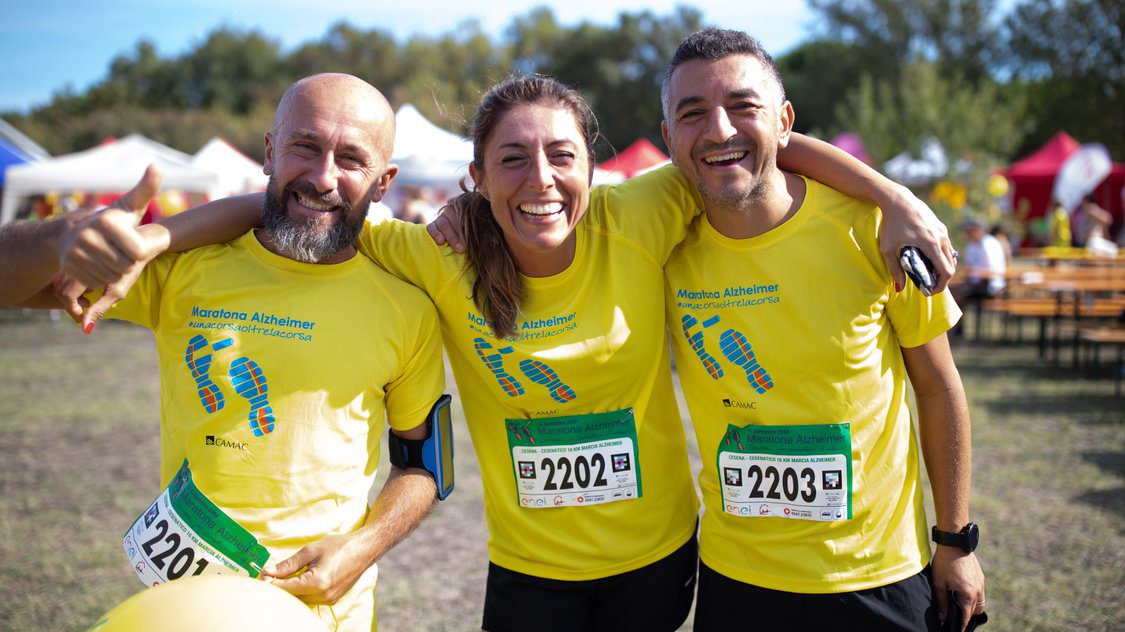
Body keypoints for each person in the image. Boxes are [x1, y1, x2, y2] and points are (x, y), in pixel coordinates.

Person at [57, 76, 954, 631]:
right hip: (529, 575)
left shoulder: (641, 215)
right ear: (474, 179)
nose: (541, 180)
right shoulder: (432, 254)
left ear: (593, 166)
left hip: (656, 562)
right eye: (511, 161)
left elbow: (750, 142)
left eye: (560, 155)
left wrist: (896, 200)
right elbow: (293, 203)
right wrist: (157, 240)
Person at [0, 73, 446, 632]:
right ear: (268, 152)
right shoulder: (183, 269)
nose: (322, 176)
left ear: (384, 183)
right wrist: (59, 236)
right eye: (304, 147)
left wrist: (364, 547)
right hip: (184, 608)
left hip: (326, 616)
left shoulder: (407, 307)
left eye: (351, 159)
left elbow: (424, 465)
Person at [657, 29, 985, 631]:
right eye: (693, 113)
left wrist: (956, 541)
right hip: (738, 580)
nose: (720, 129)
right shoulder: (659, 243)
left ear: (785, 121)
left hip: (880, 577)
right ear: (670, 138)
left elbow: (938, 388)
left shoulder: (874, 231)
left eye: (743, 106)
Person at [953, 218, 1007, 311]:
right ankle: (957, 325)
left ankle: (956, 325)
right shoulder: (972, 244)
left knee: (957, 295)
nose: (967, 233)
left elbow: (991, 271)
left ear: (978, 230)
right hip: (977, 284)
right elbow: (969, 266)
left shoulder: (989, 244)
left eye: (970, 230)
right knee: (952, 291)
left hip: (990, 286)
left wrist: (973, 282)